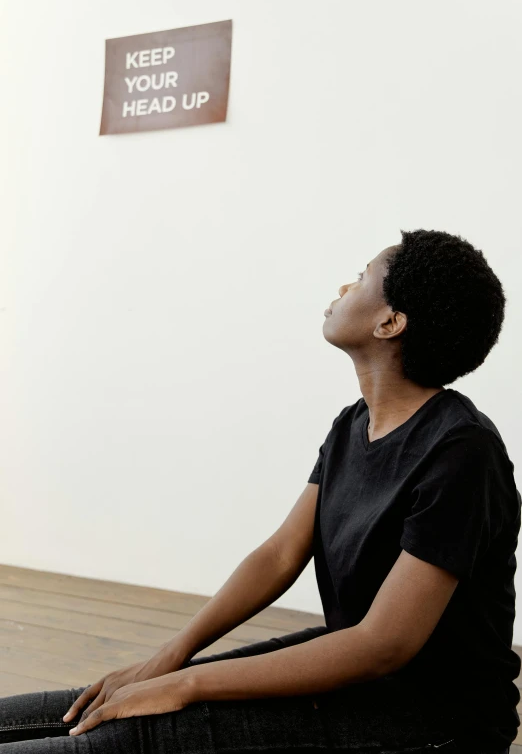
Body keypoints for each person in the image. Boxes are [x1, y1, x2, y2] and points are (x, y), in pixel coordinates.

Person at [0, 228, 518, 754]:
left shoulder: (462, 454)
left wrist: (187, 682)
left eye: (362, 277)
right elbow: (279, 554)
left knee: (114, 738)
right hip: (356, 673)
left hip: (435, 721)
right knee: (70, 710)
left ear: (390, 322)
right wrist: (173, 654)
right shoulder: (353, 425)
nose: (344, 286)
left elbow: (381, 644)